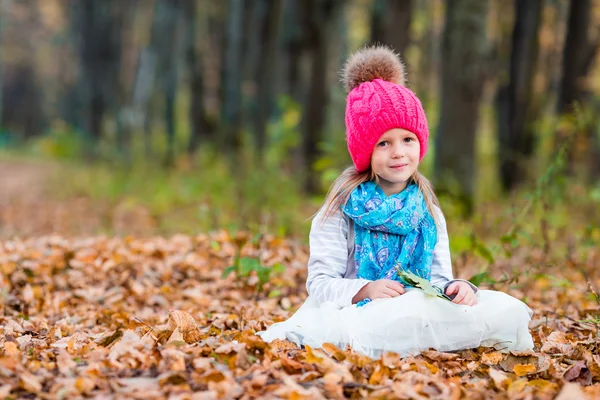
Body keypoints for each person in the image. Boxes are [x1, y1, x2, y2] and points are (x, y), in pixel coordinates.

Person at [257, 45, 534, 358]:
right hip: (354, 313)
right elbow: (320, 284)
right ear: (365, 151)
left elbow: (437, 279)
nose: (399, 152)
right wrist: (366, 289)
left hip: (414, 311)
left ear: (421, 142)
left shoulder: (428, 211)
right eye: (384, 143)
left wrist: (457, 288)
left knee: (498, 310)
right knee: (363, 327)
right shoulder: (340, 209)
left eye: (408, 139)